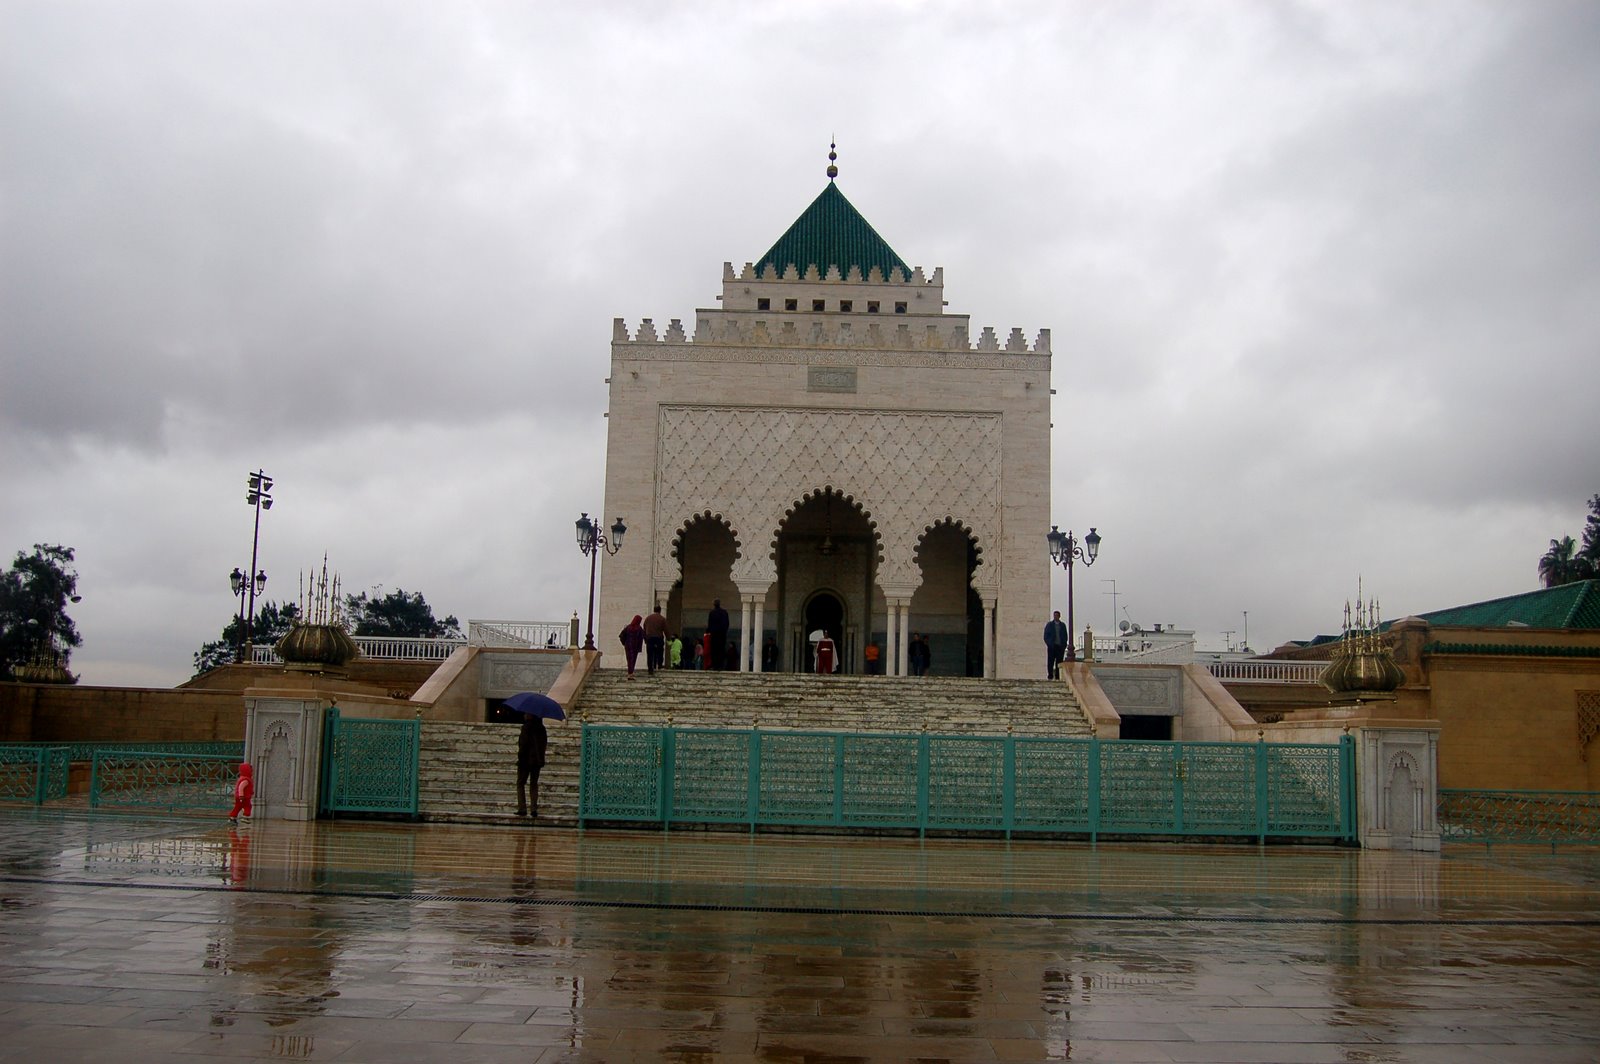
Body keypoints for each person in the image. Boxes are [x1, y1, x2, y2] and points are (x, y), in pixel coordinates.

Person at [516, 716, 548, 817]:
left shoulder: (526, 727)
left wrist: (520, 757)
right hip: (537, 761)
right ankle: (534, 808)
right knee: (534, 784)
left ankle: (522, 808)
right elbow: (543, 744)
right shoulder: (542, 728)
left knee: (520, 783)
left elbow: (523, 744)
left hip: (525, 760)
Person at [643, 606, 668, 674]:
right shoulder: (662, 619)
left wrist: (645, 639)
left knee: (650, 653)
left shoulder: (648, 618)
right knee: (660, 651)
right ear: (660, 611)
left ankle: (650, 668)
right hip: (658, 638)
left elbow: (644, 629)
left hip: (649, 638)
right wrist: (668, 638)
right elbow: (665, 629)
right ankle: (659, 665)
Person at [1044, 610, 1069, 679]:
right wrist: (1049, 644)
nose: (1055, 617)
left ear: (1059, 616)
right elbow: (1046, 635)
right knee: (1050, 662)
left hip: (1060, 647)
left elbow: (1065, 635)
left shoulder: (1062, 625)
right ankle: (1050, 675)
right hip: (1052, 646)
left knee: (1059, 662)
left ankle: (1058, 676)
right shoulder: (1049, 625)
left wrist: (1063, 645)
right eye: (1054, 615)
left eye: (1057, 615)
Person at [707, 599, 730, 670]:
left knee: (714, 650)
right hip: (721, 635)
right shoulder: (724, 612)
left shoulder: (712, 613)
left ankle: (715, 665)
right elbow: (727, 623)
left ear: (714, 604)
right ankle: (720, 666)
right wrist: (724, 631)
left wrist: (710, 631)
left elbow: (709, 624)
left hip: (714, 635)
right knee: (721, 650)